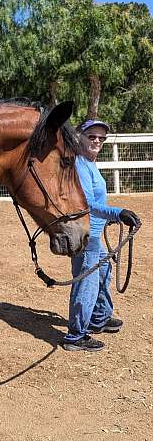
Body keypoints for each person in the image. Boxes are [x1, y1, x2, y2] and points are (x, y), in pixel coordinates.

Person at [62, 119, 141, 352]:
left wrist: (112, 217)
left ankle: (99, 318)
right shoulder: (79, 164)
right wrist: (118, 213)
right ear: (80, 137)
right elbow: (87, 203)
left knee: (103, 275)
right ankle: (76, 336)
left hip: (95, 232)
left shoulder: (90, 163)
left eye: (101, 138)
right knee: (87, 283)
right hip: (86, 234)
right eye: (92, 136)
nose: (97, 141)